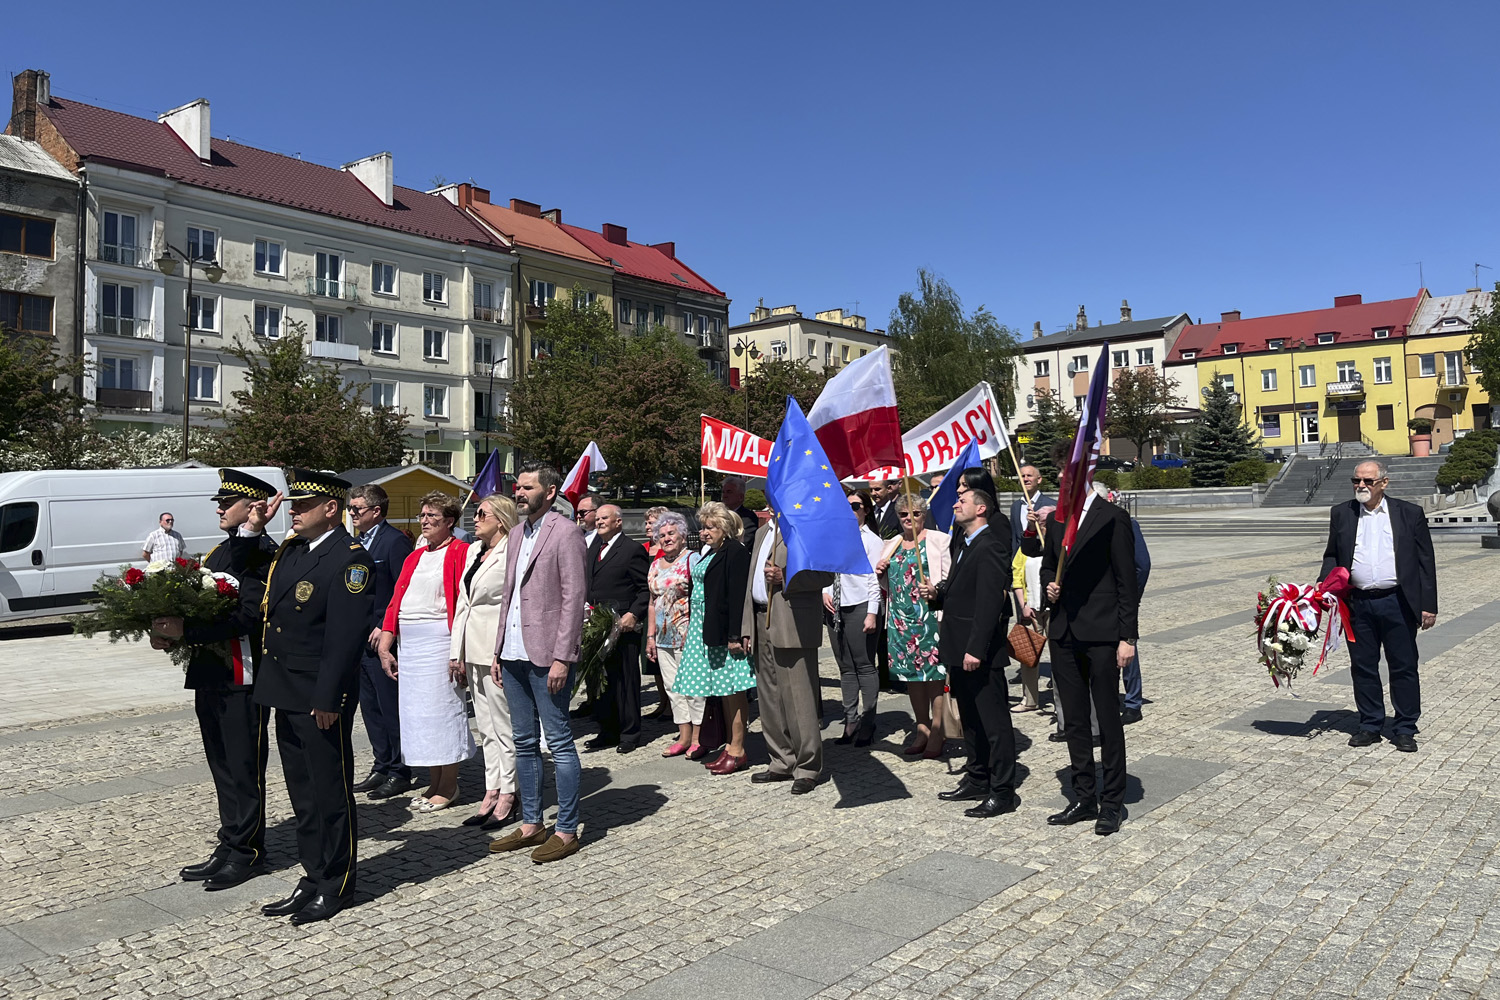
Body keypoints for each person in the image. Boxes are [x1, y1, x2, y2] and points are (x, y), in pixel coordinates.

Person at [252, 469, 374, 924]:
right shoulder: (296, 553)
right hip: (286, 689)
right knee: (302, 792)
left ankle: (337, 883)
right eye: (293, 505)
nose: (293, 511)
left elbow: (343, 639)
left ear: (330, 508)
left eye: (303, 505)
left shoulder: (350, 559)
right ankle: (313, 872)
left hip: (319, 696)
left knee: (330, 791)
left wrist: (329, 698)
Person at [150, 470, 278, 891]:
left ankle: (248, 851)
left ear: (254, 507)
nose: (220, 507)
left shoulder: (262, 553)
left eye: (230, 502)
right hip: (211, 672)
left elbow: (246, 616)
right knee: (222, 766)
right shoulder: (218, 551)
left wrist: (186, 631)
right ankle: (230, 841)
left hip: (243, 675)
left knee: (244, 767)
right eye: (220, 502)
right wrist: (169, 631)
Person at [488, 462, 588, 864]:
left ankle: (566, 829)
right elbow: (509, 595)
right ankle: (532, 822)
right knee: (524, 742)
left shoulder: (567, 533)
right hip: (512, 652)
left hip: (549, 655)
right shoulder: (515, 533)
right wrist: (496, 650)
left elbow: (573, 599)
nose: (519, 493)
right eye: (518, 486)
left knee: (560, 742)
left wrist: (564, 656)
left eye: (527, 487)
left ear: (549, 492)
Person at [1040, 479, 1138, 837]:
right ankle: (1084, 797)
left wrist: (1127, 637)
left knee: (1108, 720)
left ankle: (1112, 802)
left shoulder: (1113, 517)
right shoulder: (1056, 521)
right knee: (1075, 721)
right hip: (1064, 633)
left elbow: (1127, 580)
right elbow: (1047, 566)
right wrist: (1049, 583)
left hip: (1103, 634)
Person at [1319, 459, 1437, 753]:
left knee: (1404, 666)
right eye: (1356, 481)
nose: (1361, 486)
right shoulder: (1342, 513)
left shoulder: (1409, 513)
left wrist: (1428, 605)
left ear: (1383, 483)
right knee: (1362, 667)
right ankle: (1370, 724)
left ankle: (1405, 727)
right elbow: (1332, 555)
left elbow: (1425, 562)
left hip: (1397, 602)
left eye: (1367, 481)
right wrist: (1325, 588)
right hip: (1357, 604)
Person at [919, 489, 1015, 818]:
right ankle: (977, 777)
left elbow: (989, 603)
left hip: (979, 652)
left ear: (981, 508)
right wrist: (937, 593)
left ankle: (1003, 791)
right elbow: (961, 592)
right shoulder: (964, 542)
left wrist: (976, 648)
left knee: (994, 722)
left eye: (962, 501)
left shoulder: (990, 545)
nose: (956, 504)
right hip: (959, 649)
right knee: (971, 721)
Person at [376, 492, 475, 812]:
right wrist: (386, 644)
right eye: (422, 515)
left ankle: (449, 786)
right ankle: (434, 781)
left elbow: (465, 603)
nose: (425, 521)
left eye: (432, 516)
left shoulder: (462, 551)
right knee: (420, 718)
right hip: (412, 648)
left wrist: (459, 651)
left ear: (450, 521)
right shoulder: (414, 556)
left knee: (443, 713)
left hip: (440, 643)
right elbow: (395, 602)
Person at [742, 509, 834, 794]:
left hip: (791, 620)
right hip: (760, 618)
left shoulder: (804, 527)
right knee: (769, 696)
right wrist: (747, 625)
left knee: (798, 697)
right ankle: (781, 760)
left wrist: (787, 576)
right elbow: (751, 583)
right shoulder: (761, 532)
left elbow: (825, 573)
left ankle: (807, 766)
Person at [449, 493, 520, 829]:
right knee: (486, 728)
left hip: (496, 649)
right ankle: (492, 789)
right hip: (471, 648)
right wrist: (456, 653)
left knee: (504, 726)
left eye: (482, 514)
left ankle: (510, 792)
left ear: (502, 519)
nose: (474, 519)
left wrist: (499, 651)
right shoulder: (475, 552)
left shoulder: (511, 552)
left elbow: (511, 605)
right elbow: (464, 604)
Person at [674, 502, 755, 775]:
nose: (705, 532)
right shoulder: (711, 551)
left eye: (711, 527)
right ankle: (729, 745)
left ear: (725, 528)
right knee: (722, 691)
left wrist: (735, 635)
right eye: (704, 527)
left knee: (734, 691)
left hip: (724, 634)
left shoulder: (735, 551)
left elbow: (736, 597)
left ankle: (738, 749)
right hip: (704, 630)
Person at [347, 484, 414, 800]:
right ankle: (382, 763)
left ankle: (400, 769)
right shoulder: (355, 544)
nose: (352, 514)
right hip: (359, 639)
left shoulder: (394, 542)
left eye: (357, 509)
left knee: (390, 706)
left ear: (376, 511)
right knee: (370, 707)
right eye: (350, 508)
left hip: (382, 638)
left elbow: (402, 592)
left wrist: (384, 627)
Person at [874, 492, 952, 758]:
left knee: (934, 674)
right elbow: (888, 585)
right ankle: (922, 727)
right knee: (911, 676)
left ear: (924, 515)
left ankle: (939, 729)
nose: (909, 518)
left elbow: (949, 578)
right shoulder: (892, 543)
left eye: (915, 513)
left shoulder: (939, 540)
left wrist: (935, 588)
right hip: (900, 620)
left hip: (929, 616)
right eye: (904, 514)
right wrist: (881, 574)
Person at [585, 503, 651, 754]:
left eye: (604, 518)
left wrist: (633, 614)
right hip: (597, 624)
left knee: (625, 679)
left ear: (618, 522)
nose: (599, 521)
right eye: (597, 518)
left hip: (622, 625)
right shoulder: (594, 548)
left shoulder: (631, 549)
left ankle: (629, 733)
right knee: (601, 679)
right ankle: (607, 730)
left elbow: (644, 588)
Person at [824, 491, 885, 746]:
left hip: (860, 604)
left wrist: (872, 612)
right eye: (846, 506)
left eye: (856, 506)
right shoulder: (835, 535)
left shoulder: (871, 540)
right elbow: (826, 566)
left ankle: (868, 722)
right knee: (845, 667)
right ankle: (851, 720)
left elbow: (874, 578)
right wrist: (824, 592)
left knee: (864, 664)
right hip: (836, 604)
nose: (850, 510)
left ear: (866, 510)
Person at [646, 512, 704, 756]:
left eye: (671, 534)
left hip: (687, 633)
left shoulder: (693, 559)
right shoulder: (655, 565)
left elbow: (701, 598)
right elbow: (652, 602)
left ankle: (699, 738)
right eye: (662, 535)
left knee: (693, 688)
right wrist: (650, 637)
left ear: (682, 536)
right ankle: (683, 736)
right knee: (672, 688)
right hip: (662, 637)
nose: (666, 538)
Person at [1122, 512, 1151, 725]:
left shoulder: (1127, 523)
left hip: (1122, 598)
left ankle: (1133, 702)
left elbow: (1143, 564)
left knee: (1127, 644)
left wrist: (1133, 595)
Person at [1009, 465, 1054, 557]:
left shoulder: (1051, 505)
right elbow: (1014, 536)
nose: (1025, 479)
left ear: (1039, 480)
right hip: (1019, 562)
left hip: (1040, 558)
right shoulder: (1016, 506)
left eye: (1029, 475)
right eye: (1022, 476)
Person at [721, 475, 759, 552]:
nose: (724, 496)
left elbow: (744, 544)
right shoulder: (720, 515)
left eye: (729, 492)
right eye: (723, 492)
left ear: (740, 497)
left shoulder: (748, 518)